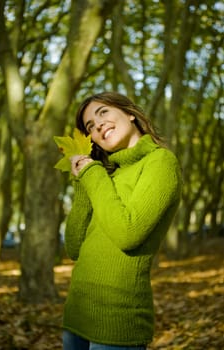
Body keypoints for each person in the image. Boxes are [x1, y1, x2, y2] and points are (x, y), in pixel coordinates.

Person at [62, 91, 182, 350]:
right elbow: (73, 248)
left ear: (130, 113)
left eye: (103, 112)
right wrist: (84, 184)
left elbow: (128, 233)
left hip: (117, 320)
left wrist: (92, 175)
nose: (98, 125)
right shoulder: (106, 176)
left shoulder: (161, 162)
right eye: (90, 126)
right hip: (76, 314)